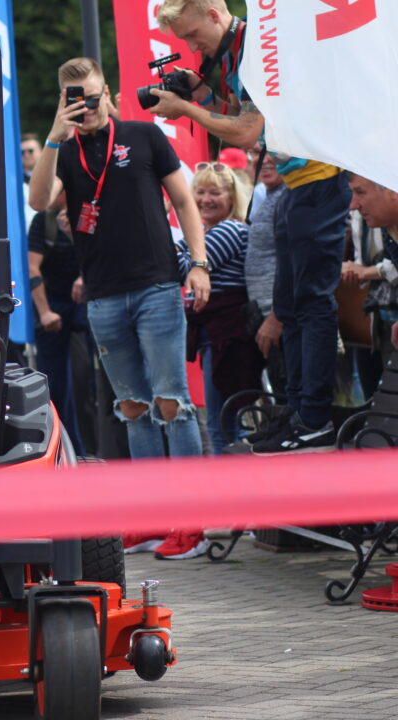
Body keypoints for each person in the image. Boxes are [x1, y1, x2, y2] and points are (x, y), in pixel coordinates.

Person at [29, 57, 210, 560]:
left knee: (172, 402)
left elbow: (184, 202)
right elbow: (39, 200)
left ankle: (192, 522)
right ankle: (151, 519)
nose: (85, 107)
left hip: (156, 286)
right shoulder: (65, 150)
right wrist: (54, 136)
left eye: (90, 96)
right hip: (104, 295)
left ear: (107, 92)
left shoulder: (144, 136)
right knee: (133, 408)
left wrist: (198, 263)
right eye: (74, 99)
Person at [155, 0, 352, 453]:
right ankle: (298, 411)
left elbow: (246, 132)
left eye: (191, 35)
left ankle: (315, 418)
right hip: (298, 183)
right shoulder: (232, 51)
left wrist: (186, 107)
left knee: (311, 303)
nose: (191, 46)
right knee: (290, 304)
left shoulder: (258, 46)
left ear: (213, 13)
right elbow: (235, 110)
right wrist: (200, 95)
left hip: (321, 177)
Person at [176, 162, 262, 453]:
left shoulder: (229, 229)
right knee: (224, 421)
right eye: (200, 192)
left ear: (232, 197)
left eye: (215, 192)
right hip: (215, 335)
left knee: (221, 424)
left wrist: (179, 250)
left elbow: (181, 268)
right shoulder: (206, 231)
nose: (206, 199)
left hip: (226, 335)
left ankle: (226, 479)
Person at [28, 198, 87, 454]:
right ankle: (64, 448)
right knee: (54, 382)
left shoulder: (88, 211)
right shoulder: (45, 220)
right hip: (53, 302)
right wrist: (44, 312)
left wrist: (74, 234)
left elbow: (101, 252)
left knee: (92, 378)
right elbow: (32, 268)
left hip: (87, 298)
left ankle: (95, 448)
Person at [244, 146, 287, 393]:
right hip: (266, 316)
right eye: (256, 152)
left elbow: (295, 262)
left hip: (282, 319)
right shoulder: (269, 196)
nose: (265, 159)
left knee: (292, 398)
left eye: (273, 151)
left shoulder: (288, 197)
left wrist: (277, 315)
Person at [347, 175, 398, 354]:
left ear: (392, 189)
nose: (353, 205)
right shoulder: (387, 226)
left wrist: (366, 272)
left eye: (360, 192)